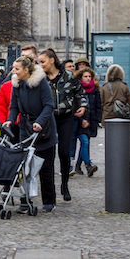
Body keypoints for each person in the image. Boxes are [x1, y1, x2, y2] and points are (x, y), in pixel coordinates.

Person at [4, 54, 58, 213]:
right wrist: (10, 120)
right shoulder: (17, 84)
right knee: (24, 167)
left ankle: (49, 201)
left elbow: (49, 105)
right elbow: (14, 107)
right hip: (25, 128)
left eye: (16, 68)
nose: (13, 71)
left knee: (45, 167)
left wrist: (40, 122)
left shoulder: (41, 83)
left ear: (26, 70)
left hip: (44, 128)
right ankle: (24, 201)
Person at [38, 47, 87, 203]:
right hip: (49, 119)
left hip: (66, 117)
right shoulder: (41, 78)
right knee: (48, 154)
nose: (41, 65)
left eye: (42, 62)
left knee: (64, 152)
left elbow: (80, 92)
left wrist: (83, 106)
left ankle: (64, 183)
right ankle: (49, 188)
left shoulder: (68, 76)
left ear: (52, 61)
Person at [71, 67, 101, 177]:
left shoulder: (95, 90)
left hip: (90, 121)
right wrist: (82, 119)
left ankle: (79, 166)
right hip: (78, 121)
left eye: (89, 76)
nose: (88, 79)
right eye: (85, 76)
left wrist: (96, 119)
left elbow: (98, 106)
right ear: (80, 78)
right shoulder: (76, 89)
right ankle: (88, 165)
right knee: (83, 142)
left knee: (85, 143)